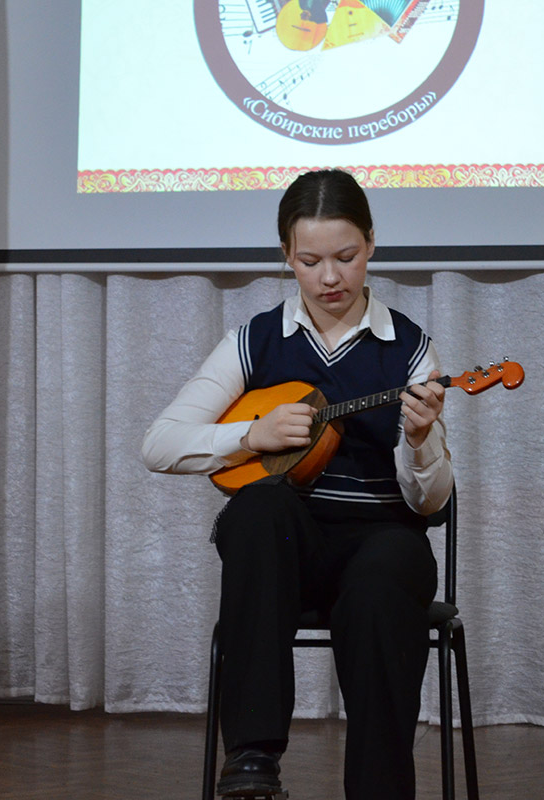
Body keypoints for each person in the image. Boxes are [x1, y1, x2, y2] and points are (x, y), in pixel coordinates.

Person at [141, 169, 453, 800]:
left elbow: (431, 501)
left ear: (371, 245)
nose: (330, 277)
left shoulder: (410, 348)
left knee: (386, 575)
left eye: (346, 257)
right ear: (286, 255)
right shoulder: (253, 342)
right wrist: (249, 436)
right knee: (257, 510)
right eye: (310, 262)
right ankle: (252, 758)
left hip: (382, 545)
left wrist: (421, 441)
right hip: (287, 554)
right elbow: (158, 444)